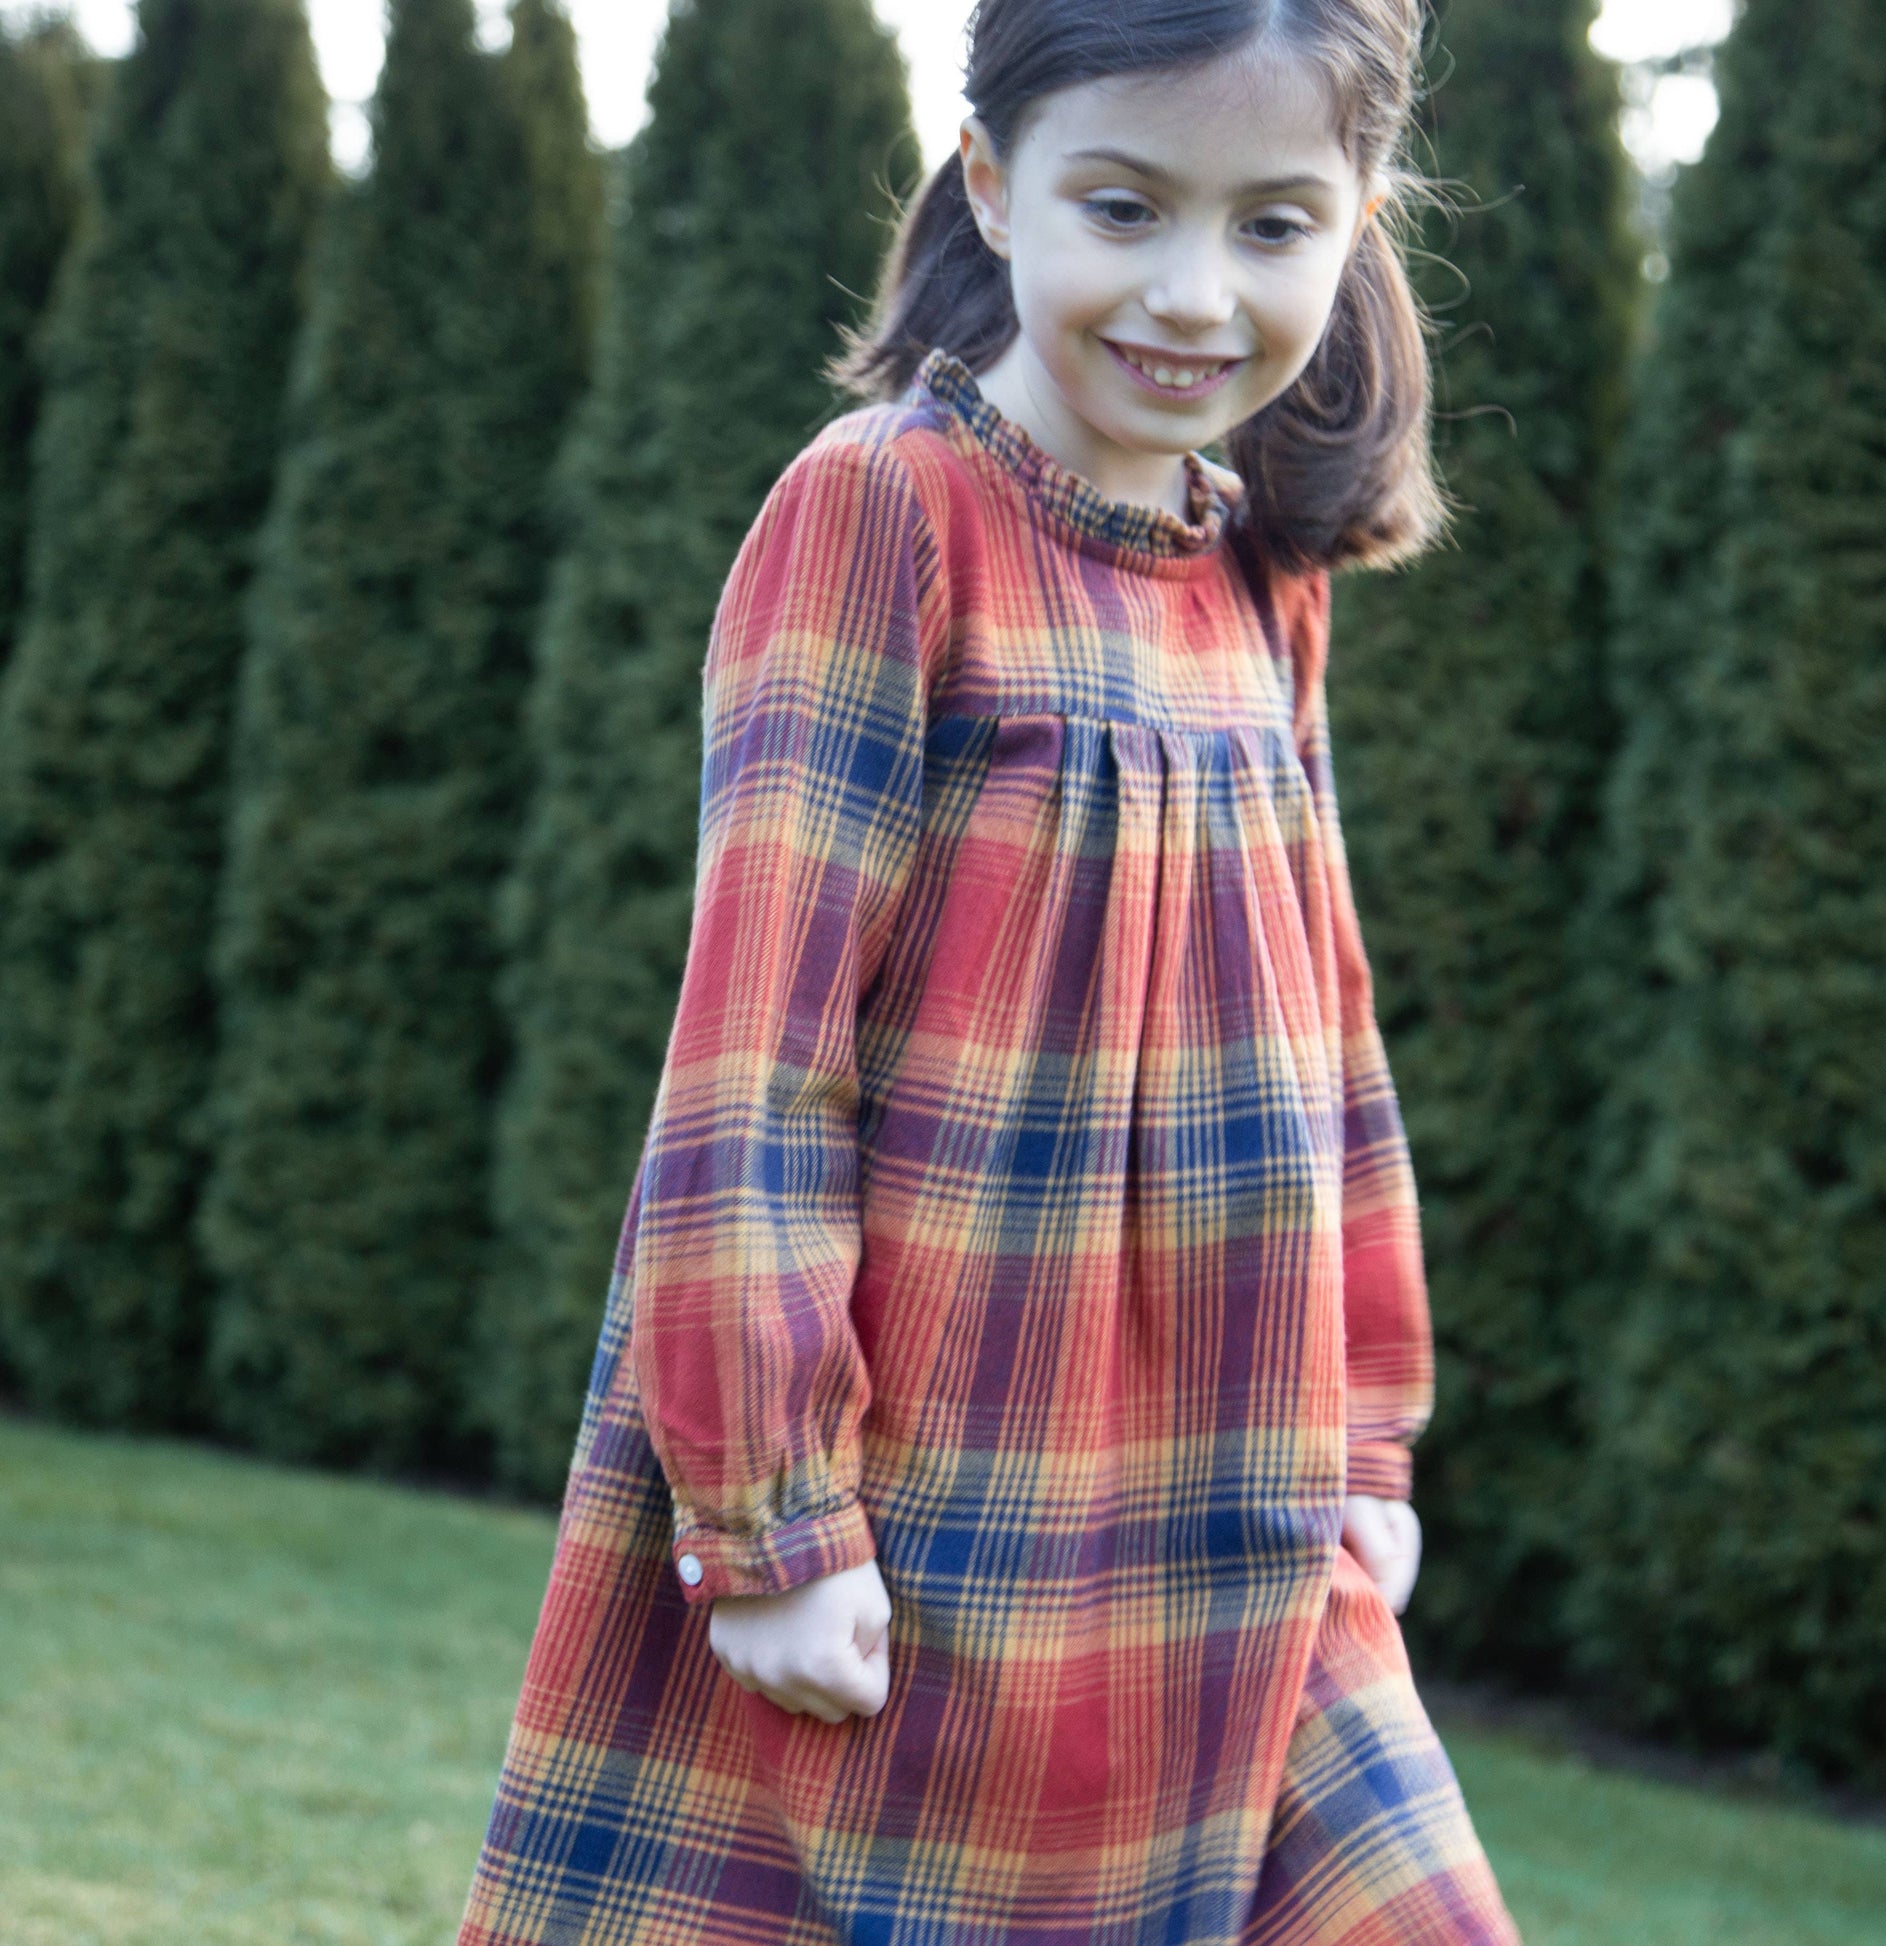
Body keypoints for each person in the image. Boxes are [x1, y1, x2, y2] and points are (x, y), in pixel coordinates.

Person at [457, 0, 1522, 1939]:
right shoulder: (881, 514)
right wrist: (770, 1516)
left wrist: (1367, 1420)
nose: (1194, 293)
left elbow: (1329, 1035)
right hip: (933, 1494)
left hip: (1239, 1496)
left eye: (1274, 224)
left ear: (1359, 215)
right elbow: (756, 1057)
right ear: (992, 179)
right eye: (1125, 205)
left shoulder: (1263, 580)